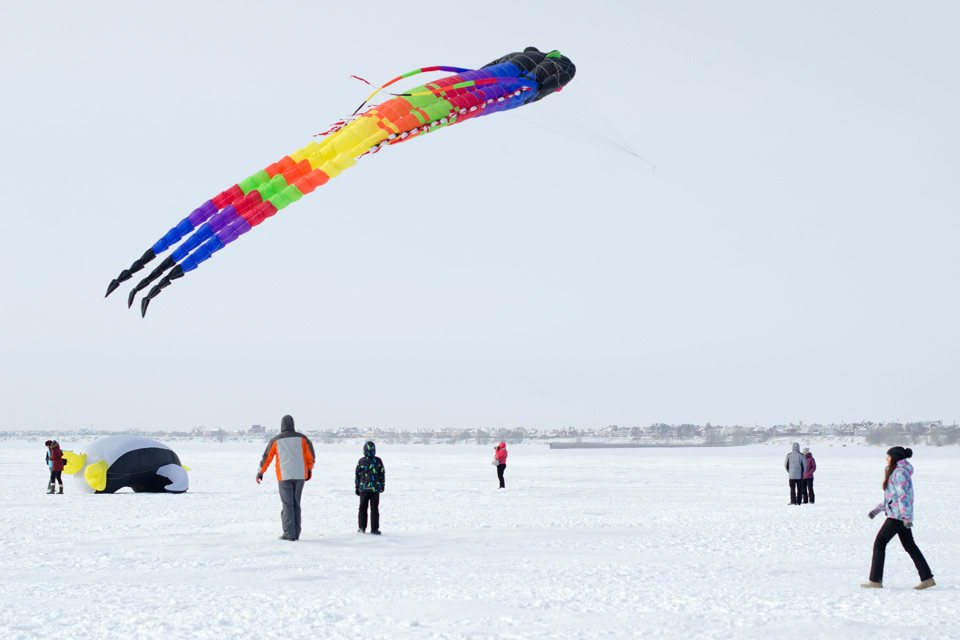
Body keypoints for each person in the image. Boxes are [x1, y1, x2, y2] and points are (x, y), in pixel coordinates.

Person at [861, 446, 935, 590]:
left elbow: (903, 497)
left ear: (895, 458)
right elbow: (891, 498)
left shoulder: (900, 473)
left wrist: (906, 517)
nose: (886, 459)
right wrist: (877, 510)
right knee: (910, 546)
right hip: (898, 514)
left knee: (880, 543)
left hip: (898, 516)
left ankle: (875, 580)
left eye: (888, 456)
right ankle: (927, 578)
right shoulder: (895, 472)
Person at [257, 415, 315, 541]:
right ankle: (296, 533)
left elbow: (266, 458)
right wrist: (309, 470)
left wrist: (260, 472)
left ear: (282, 425)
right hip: (300, 475)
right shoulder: (303, 439)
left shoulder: (276, 440)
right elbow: (311, 456)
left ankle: (289, 533)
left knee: (287, 505)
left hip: (284, 475)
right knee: (296, 504)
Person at [355, 441, 385, 534]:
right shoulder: (378, 461)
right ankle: (374, 529)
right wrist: (382, 485)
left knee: (363, 507)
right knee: (374, 508)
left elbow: (357, 475)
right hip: (375, 488)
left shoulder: (361, 461)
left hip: (364, 488)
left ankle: (362, 528)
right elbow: (381, 474)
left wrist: (357, 487)